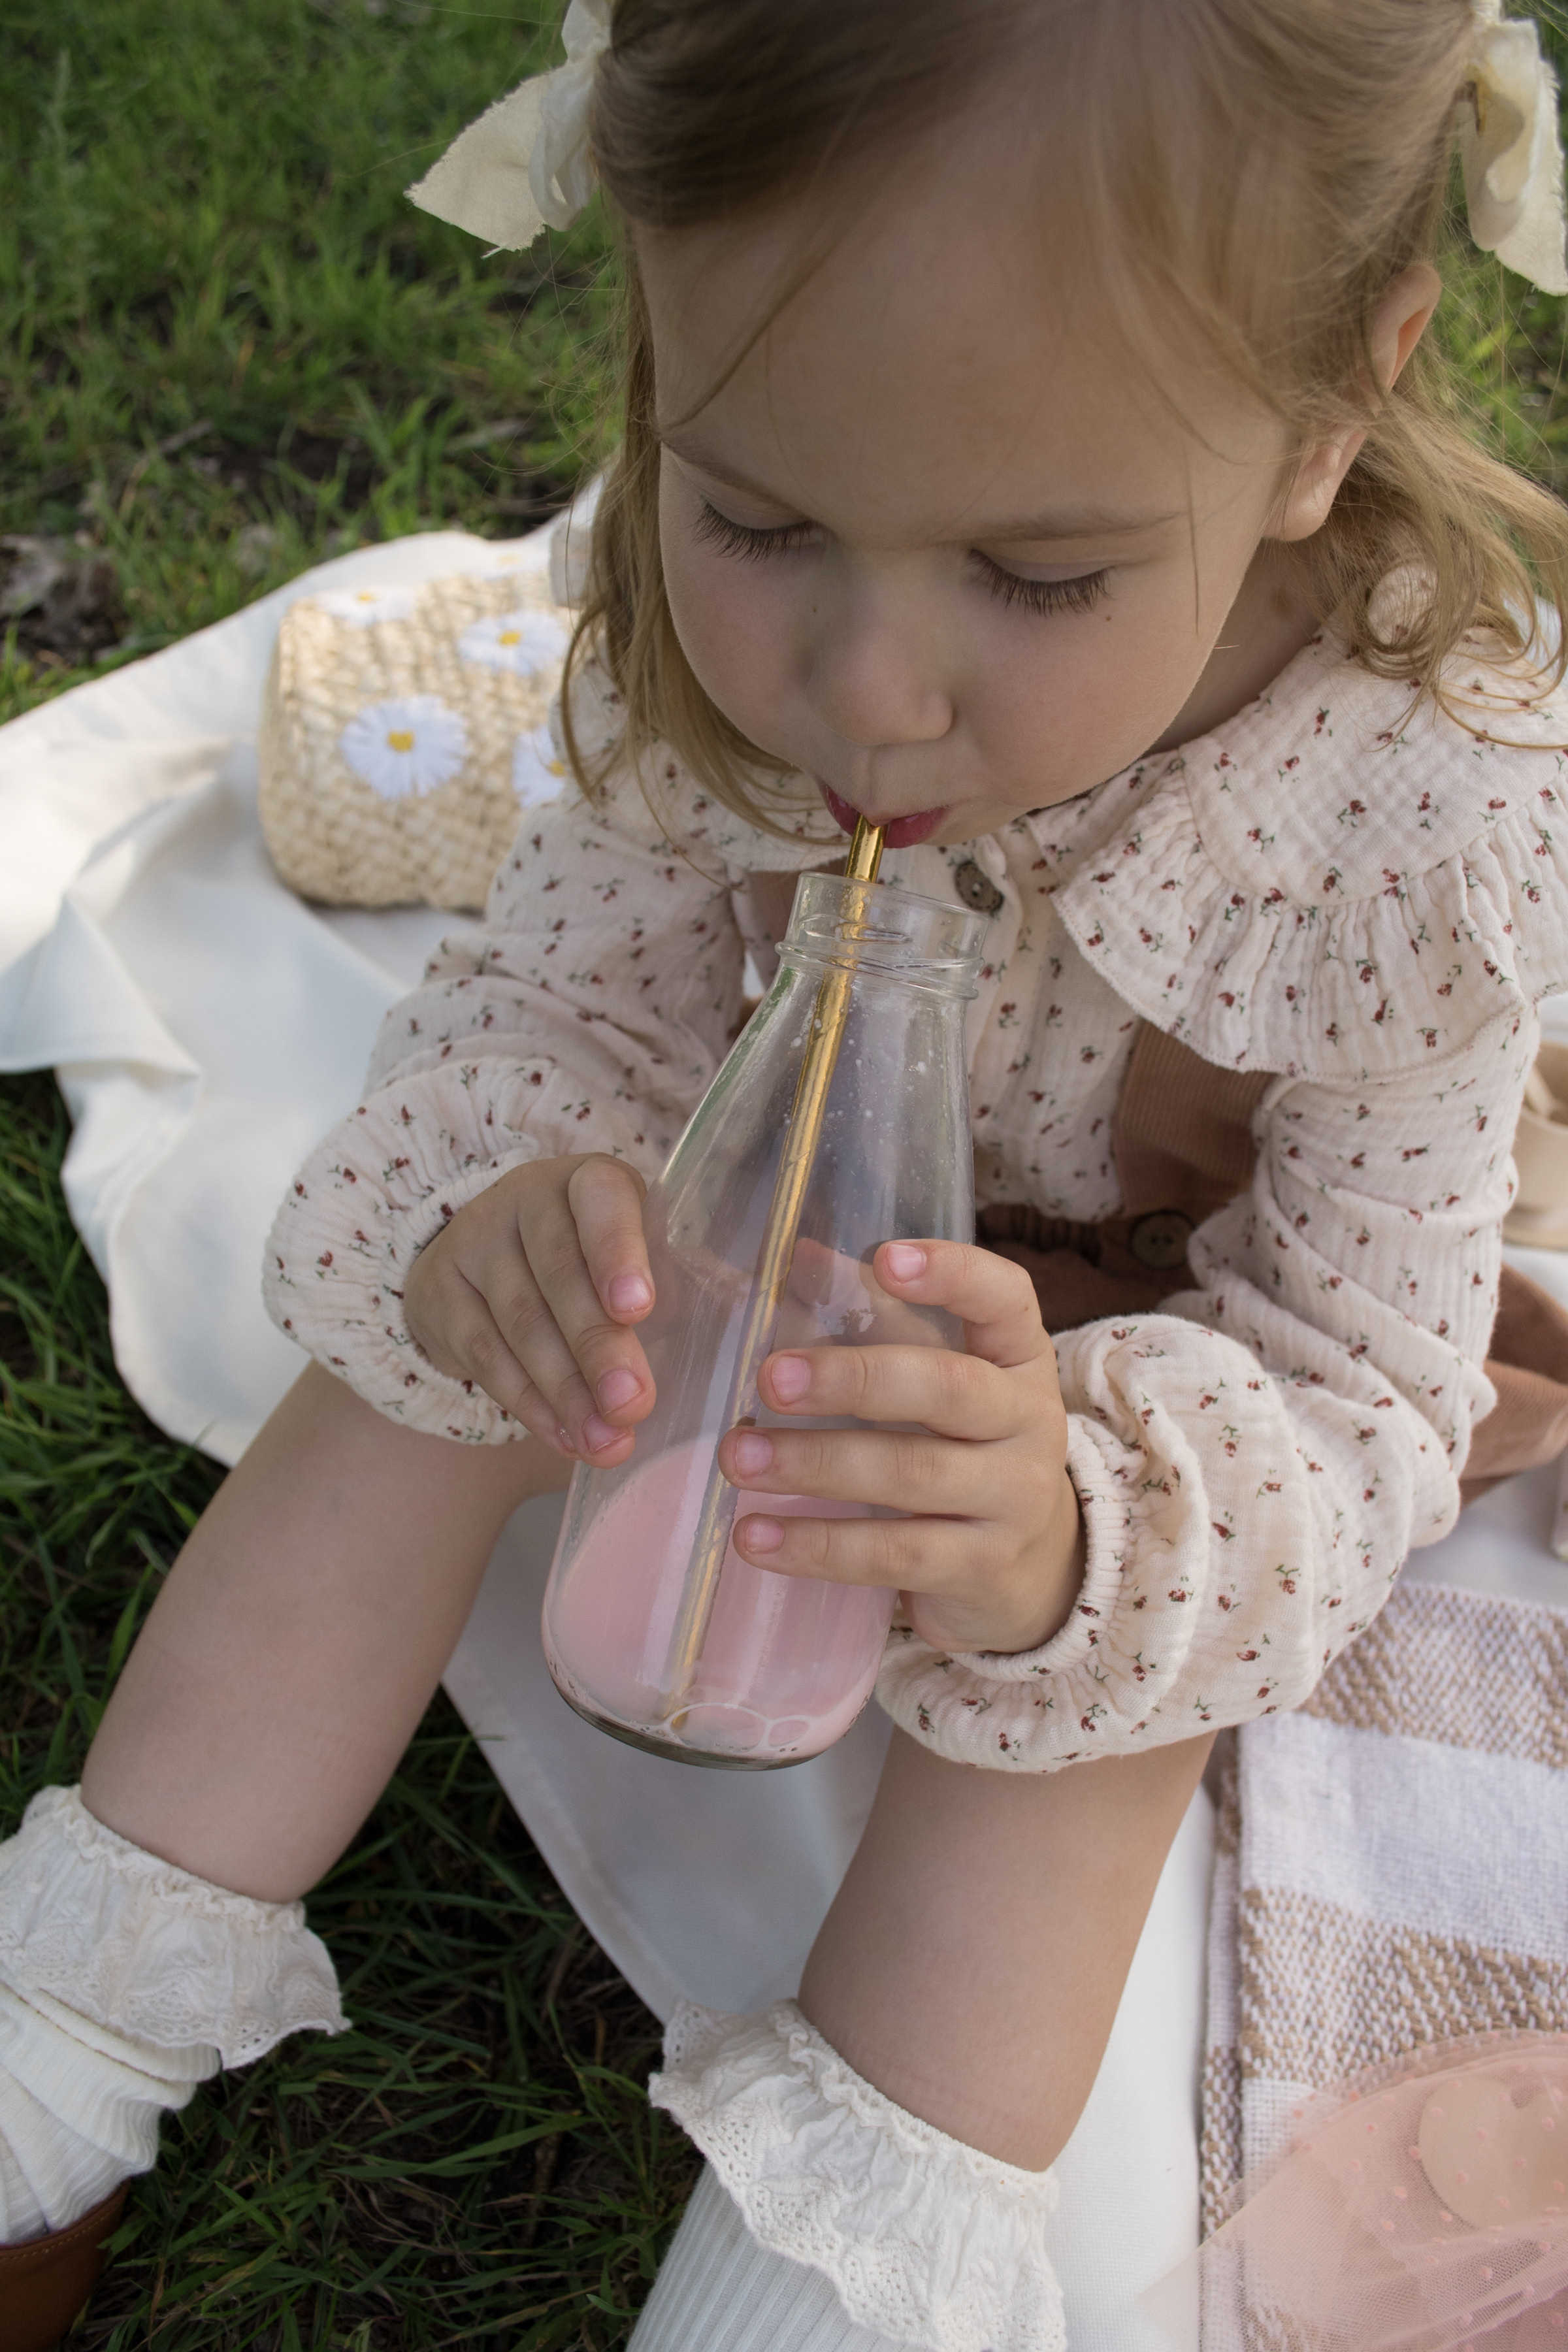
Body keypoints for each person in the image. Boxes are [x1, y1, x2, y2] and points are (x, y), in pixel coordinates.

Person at [5, 2, 1568, 2347]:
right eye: (759, 514)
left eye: (1040, 577)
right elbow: (550, 1008)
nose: (870, 688)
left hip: (1147, 1371)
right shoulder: (699, 652)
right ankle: (55, 2061)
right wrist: (501, 1216)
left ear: (1335, 408)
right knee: (403, 1376)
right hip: (765, 1243)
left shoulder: (1426, 824)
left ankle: (811, 2289)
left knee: (1085, 1745)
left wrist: (1057, 1531)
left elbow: (1354, 1382)